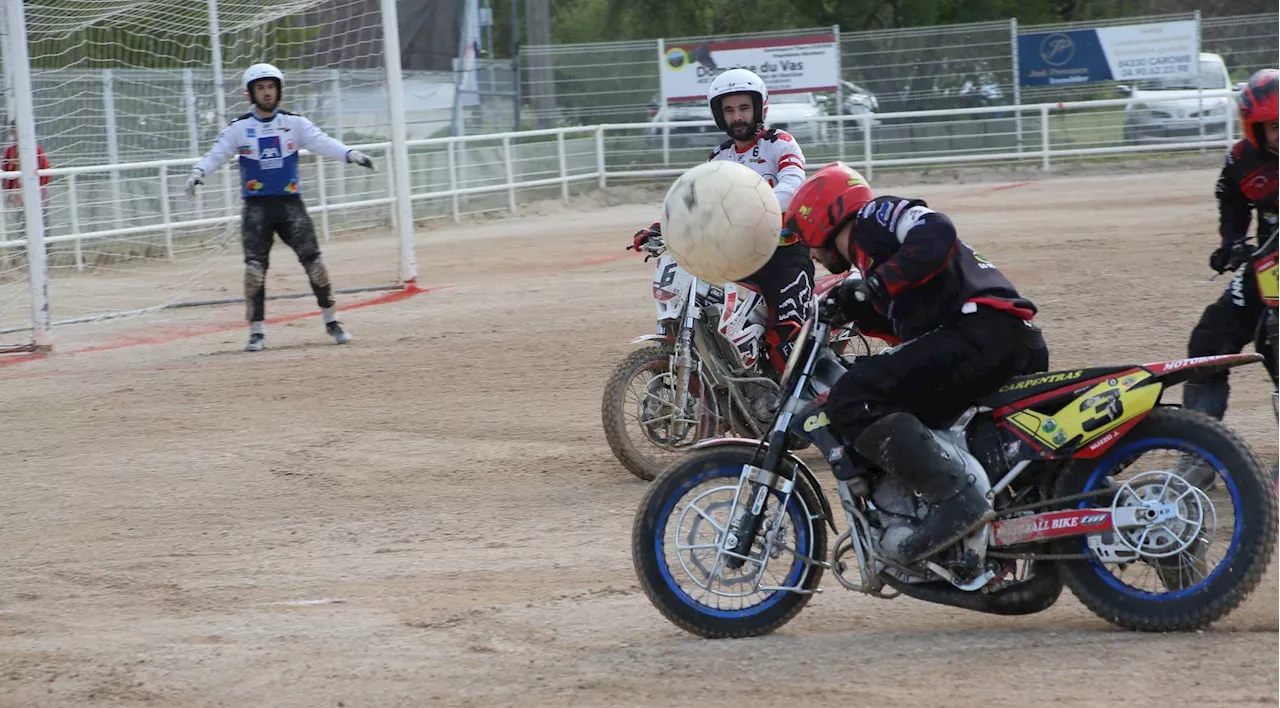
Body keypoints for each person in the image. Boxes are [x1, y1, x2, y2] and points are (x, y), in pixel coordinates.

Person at [785, 162, 1050, 564]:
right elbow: (910, 332)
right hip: (993, 339)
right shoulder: (875, 259)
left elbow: (937, 230)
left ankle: (955, 503)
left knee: (852, 398)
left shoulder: (873, 220)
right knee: (886, 391)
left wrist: (873, 286)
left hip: (986, 332)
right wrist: (856, 307)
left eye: (807, 239)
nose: (812, 253)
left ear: (823, 217)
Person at [184, 62, 376, 352]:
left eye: (271, 86)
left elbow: (322, 142)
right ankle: (256, 331)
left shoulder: (295, 123)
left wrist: (351, 154)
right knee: (254, 271)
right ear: (249, 93)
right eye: (260, 88)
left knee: (316, 265)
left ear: (279, 90)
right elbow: (216, 153)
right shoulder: (238, 129)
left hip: (290, 206)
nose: (266, 92)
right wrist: (198, 172)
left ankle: (332, 321)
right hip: (256, 210)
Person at [634, 68, 812, 378]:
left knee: (784, 342)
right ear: (719, 115)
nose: (737, 117)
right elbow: (695, 202)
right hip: (737, 260)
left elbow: (793, 185)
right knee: (717, 323)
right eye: (729, 110)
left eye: (744, 108)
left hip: (784, 258)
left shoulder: (780, 143)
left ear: (759, 108)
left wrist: (752, 207)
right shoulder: (719, 158)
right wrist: (661, 226)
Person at [1182, 68, 1280, 434]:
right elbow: (1231, 200)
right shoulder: (1241, 160)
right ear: (1255, 129)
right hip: (1268, 266)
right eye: (1274, 126)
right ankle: (1202, 450)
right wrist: (1233, 243)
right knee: (1209, 340)